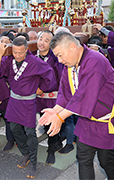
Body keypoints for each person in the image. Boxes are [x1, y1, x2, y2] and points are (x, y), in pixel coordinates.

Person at [38, 31, 114, 180]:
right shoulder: (70, 65)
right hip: (86, 120)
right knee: (83, 159)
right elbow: (66, 94)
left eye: (60, 55)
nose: (59, 60)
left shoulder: (95, 60)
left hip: (106, 122)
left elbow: (84, 97)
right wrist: (55, 111)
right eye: (57, 57)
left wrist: (60, 117)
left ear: (72, 47)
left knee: (106, 162)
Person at [0, 37, 56, 178]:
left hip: (28, 102)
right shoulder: (8, 60)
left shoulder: (34, 61)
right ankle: (25, 153)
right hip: (14, 101)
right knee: (14, 129)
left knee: (30, 133)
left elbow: (50, 74)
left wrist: (42, 88)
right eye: (15, 52)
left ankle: (33, 162)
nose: (18, 55)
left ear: (26, 50)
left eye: (21, 52)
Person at [36, 30, 75, 165]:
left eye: (47, 41)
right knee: (45, 123)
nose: (42, 42)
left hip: (54, 97)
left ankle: (52, 149)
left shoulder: (56, 58)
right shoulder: (33, 56)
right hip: (38, 97)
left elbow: (59, 78)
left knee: (56, 122)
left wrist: (43, 87)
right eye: (41, 39)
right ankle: (56, 142)